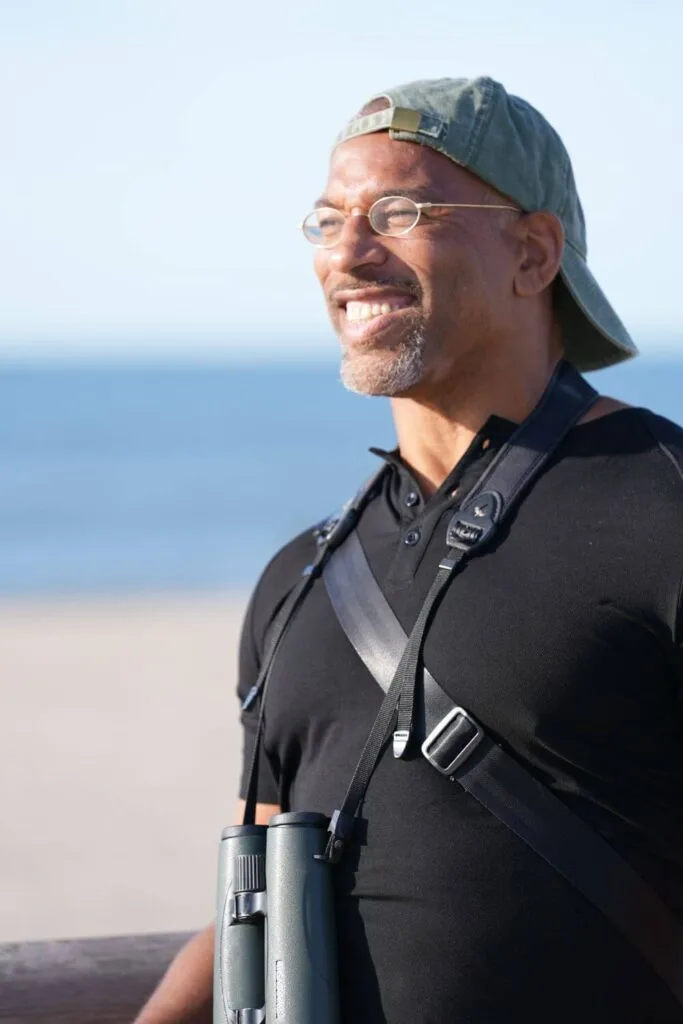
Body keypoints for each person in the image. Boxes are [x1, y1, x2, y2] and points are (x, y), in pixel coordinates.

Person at [134, 76, 683, 1024]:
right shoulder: (298, 580)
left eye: (399, 211)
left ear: (530, 252)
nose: (348, 252)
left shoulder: (660, 505)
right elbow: (249, 903)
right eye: (327, 219)